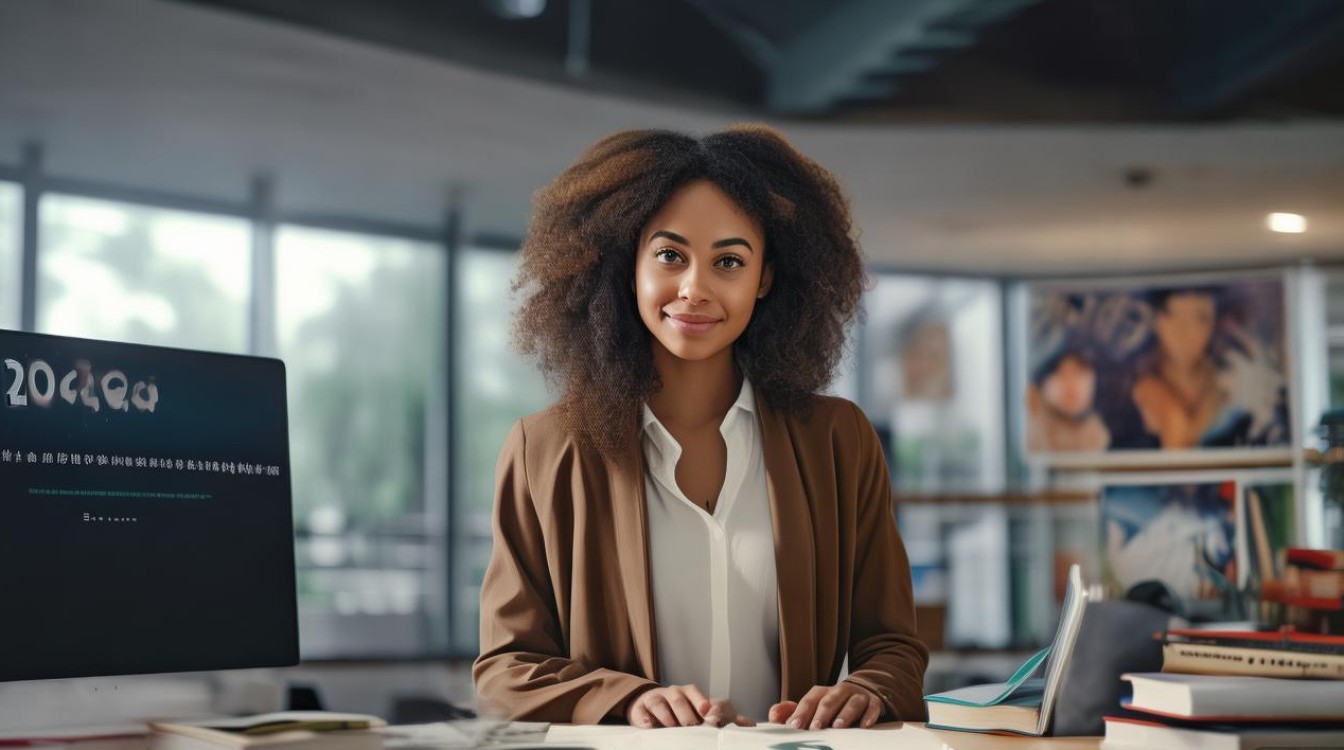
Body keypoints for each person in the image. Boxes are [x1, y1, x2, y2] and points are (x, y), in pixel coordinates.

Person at [473, 125, 929, 729]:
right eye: (670, 255)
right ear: (629, 263)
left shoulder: (838, 441)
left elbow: (893, 646)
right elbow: (505, 669)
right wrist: (625, 700)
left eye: (729, 261)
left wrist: (867, 690)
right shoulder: (544, 449)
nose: (694, 289)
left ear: (765, 278)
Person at [1025, 343, 1109, 453]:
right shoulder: (1035, 422)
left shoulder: (1097, 433)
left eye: (1079, 375)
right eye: (1063, 375)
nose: (1071, 385)